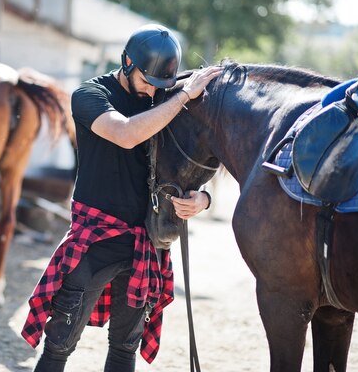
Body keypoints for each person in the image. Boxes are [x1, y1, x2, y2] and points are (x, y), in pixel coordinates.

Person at [21, 24, 223, 372]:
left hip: (147, 238)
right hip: (95, 239)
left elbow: (194, 162)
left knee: (124, 349)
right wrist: (182, 97)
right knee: (59, 345)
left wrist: (202, 199)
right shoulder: (89, 95)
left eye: (161, 85)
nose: (152, 91)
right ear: (127, 62)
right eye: (147, 81)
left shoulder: (164, 99)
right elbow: (126, 134)